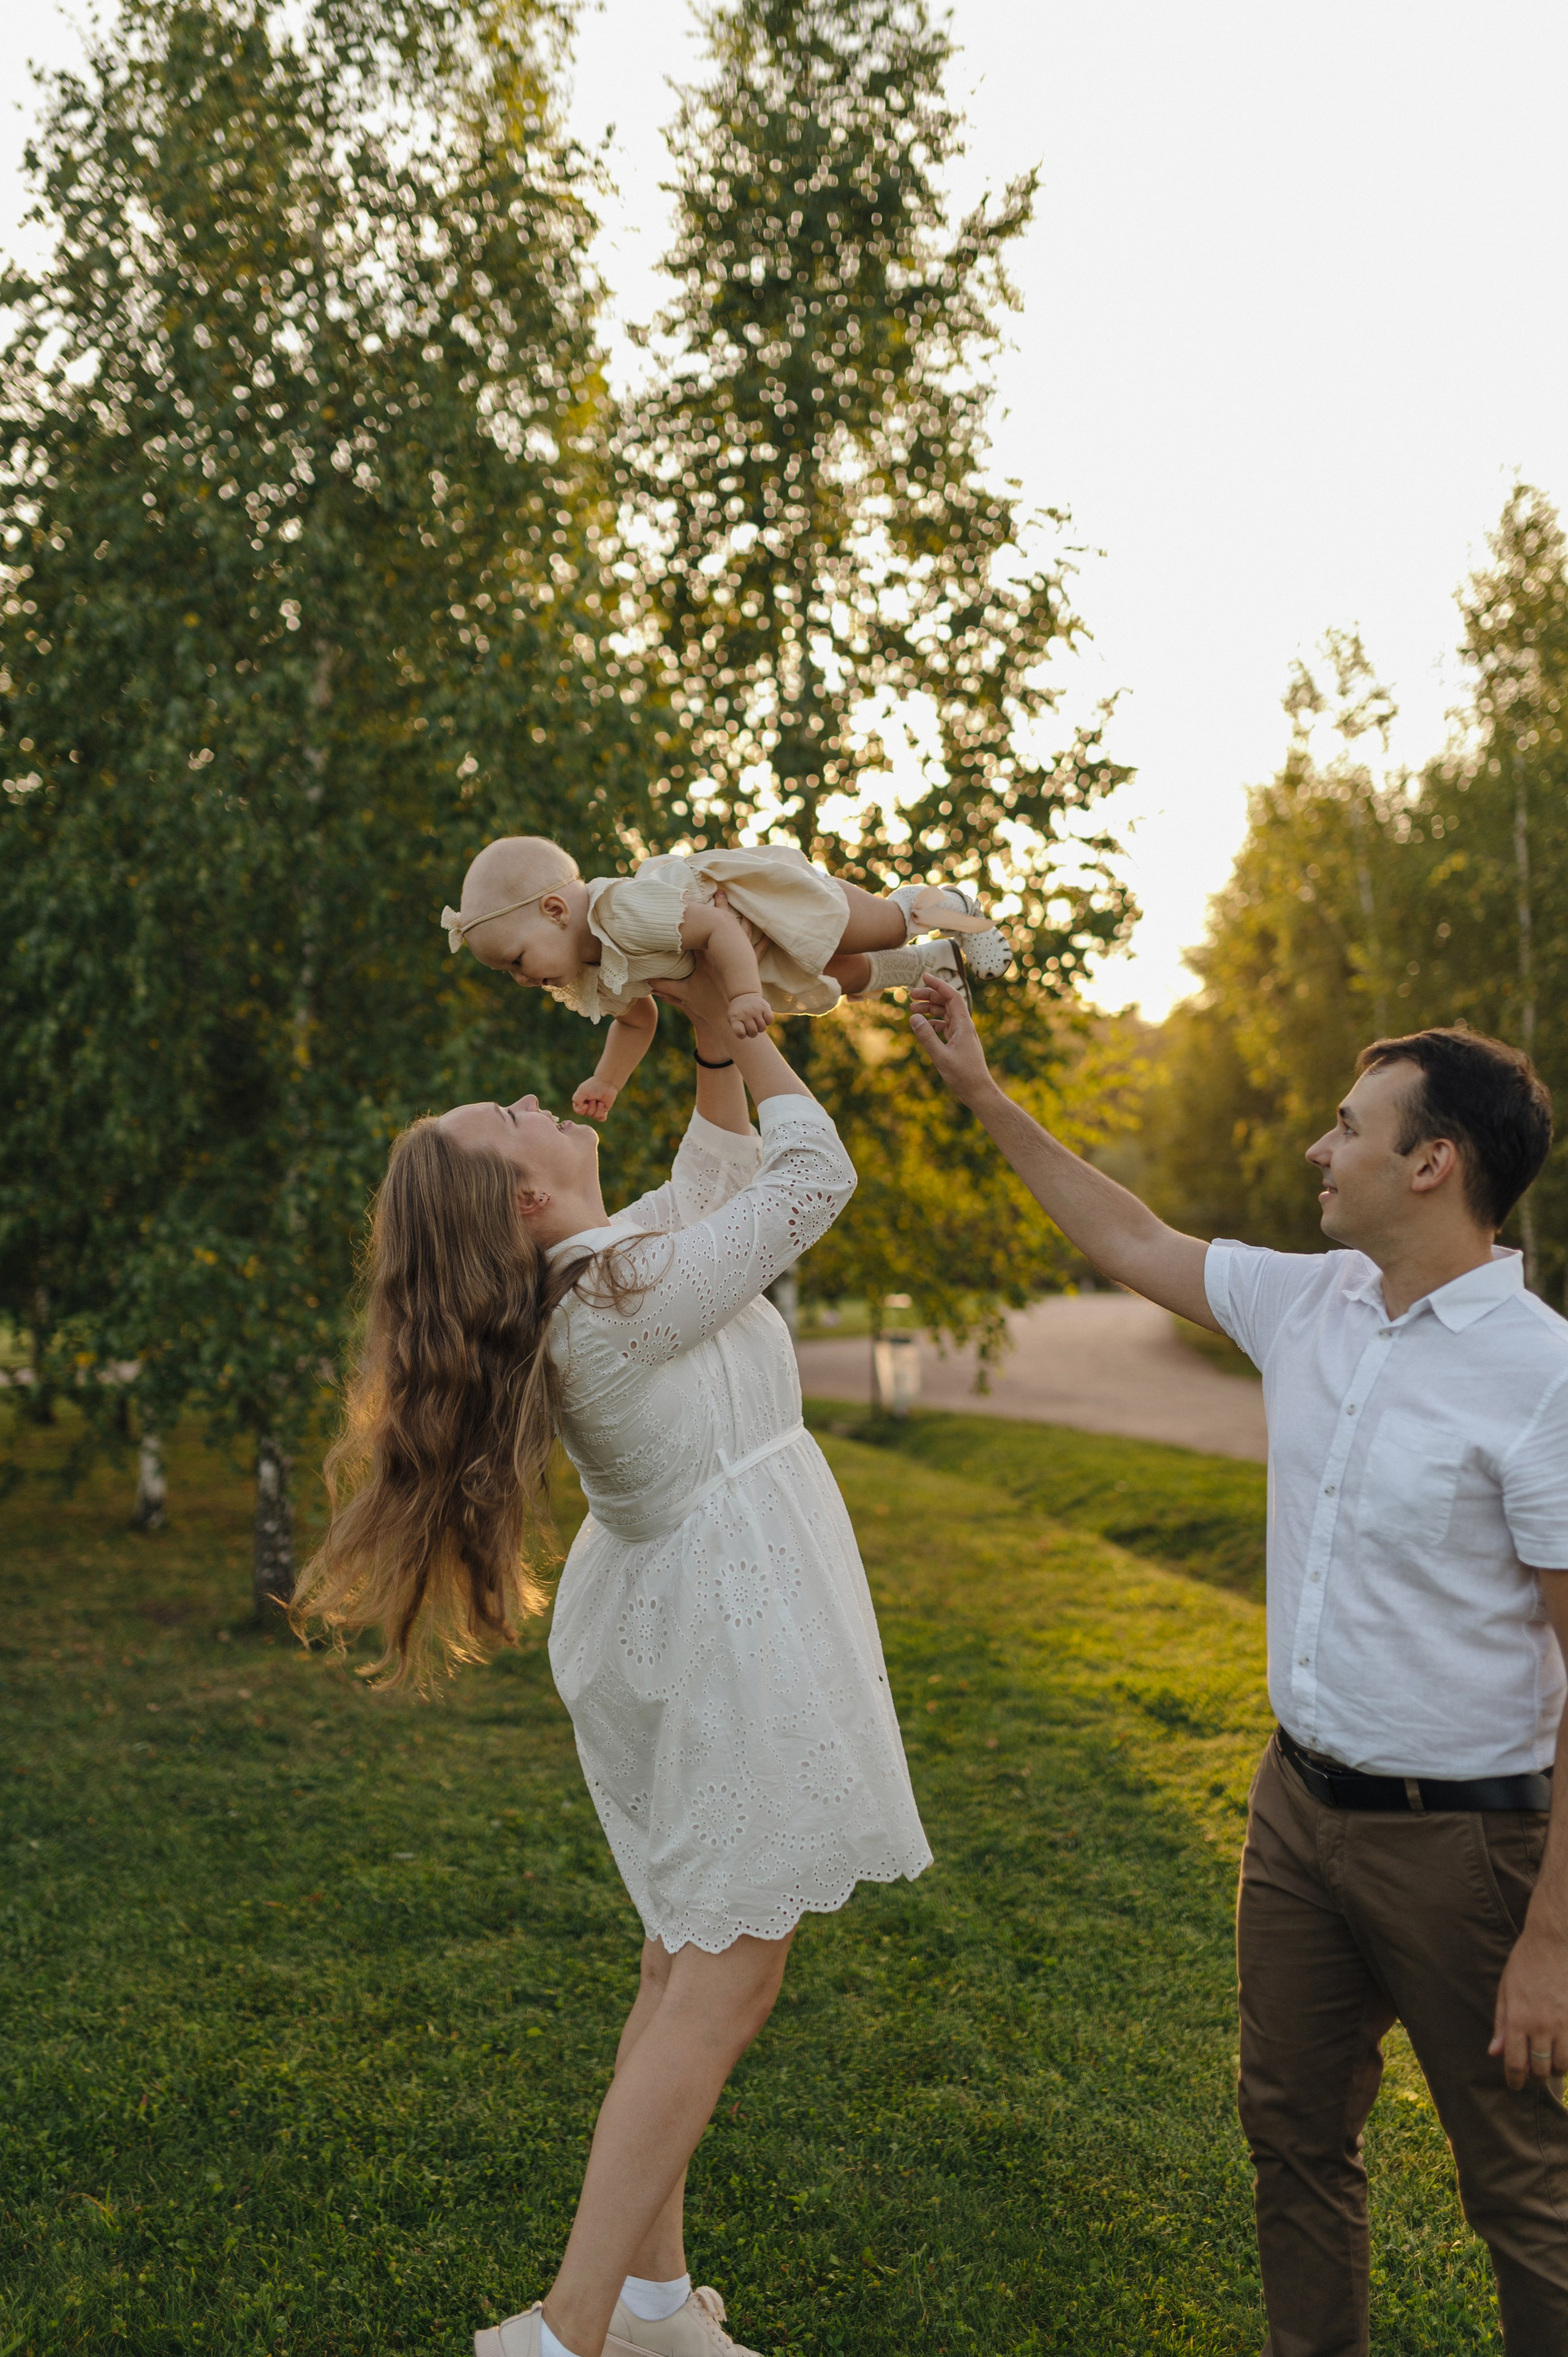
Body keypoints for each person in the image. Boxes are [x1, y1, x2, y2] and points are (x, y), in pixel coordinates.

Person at [908, 970, 1568, 2356]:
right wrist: (977, 1088)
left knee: (1521, 2190)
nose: (1316, 1150)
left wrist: (1549, 1940)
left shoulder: (1539, 1373)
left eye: (1345, 1125)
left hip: (1467, 1847)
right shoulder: (1310, 1302)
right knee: (1288, 2135)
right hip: (1294, 1814)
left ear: (1429, 1161)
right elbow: (1127, 1232)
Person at [293, 960, 931, 2357]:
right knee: (727, 1972)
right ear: (522, 1201)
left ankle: (651, 2303)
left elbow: (709, 1181)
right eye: (512, 1112)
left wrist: (702, 1040)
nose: (537, 1093)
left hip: (682, 1613)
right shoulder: (623, 1288)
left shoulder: (606, 1268)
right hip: (723, 1629)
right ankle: (562, 2332)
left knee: (680, 1957)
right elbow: (807, 1179)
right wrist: (753, 1024)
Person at [439, 833, 1011, 1119]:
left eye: (516, 960)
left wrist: (739, 994)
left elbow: (716, 929)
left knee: (882, 925)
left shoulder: (619, 911)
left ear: (556, 913)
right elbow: (639, 1019)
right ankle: (931, 963)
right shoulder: (595, 971)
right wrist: (608, 1080)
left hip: (762, 907)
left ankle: (956, 906)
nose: (519, 979)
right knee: (838, 977)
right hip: (748, 957)